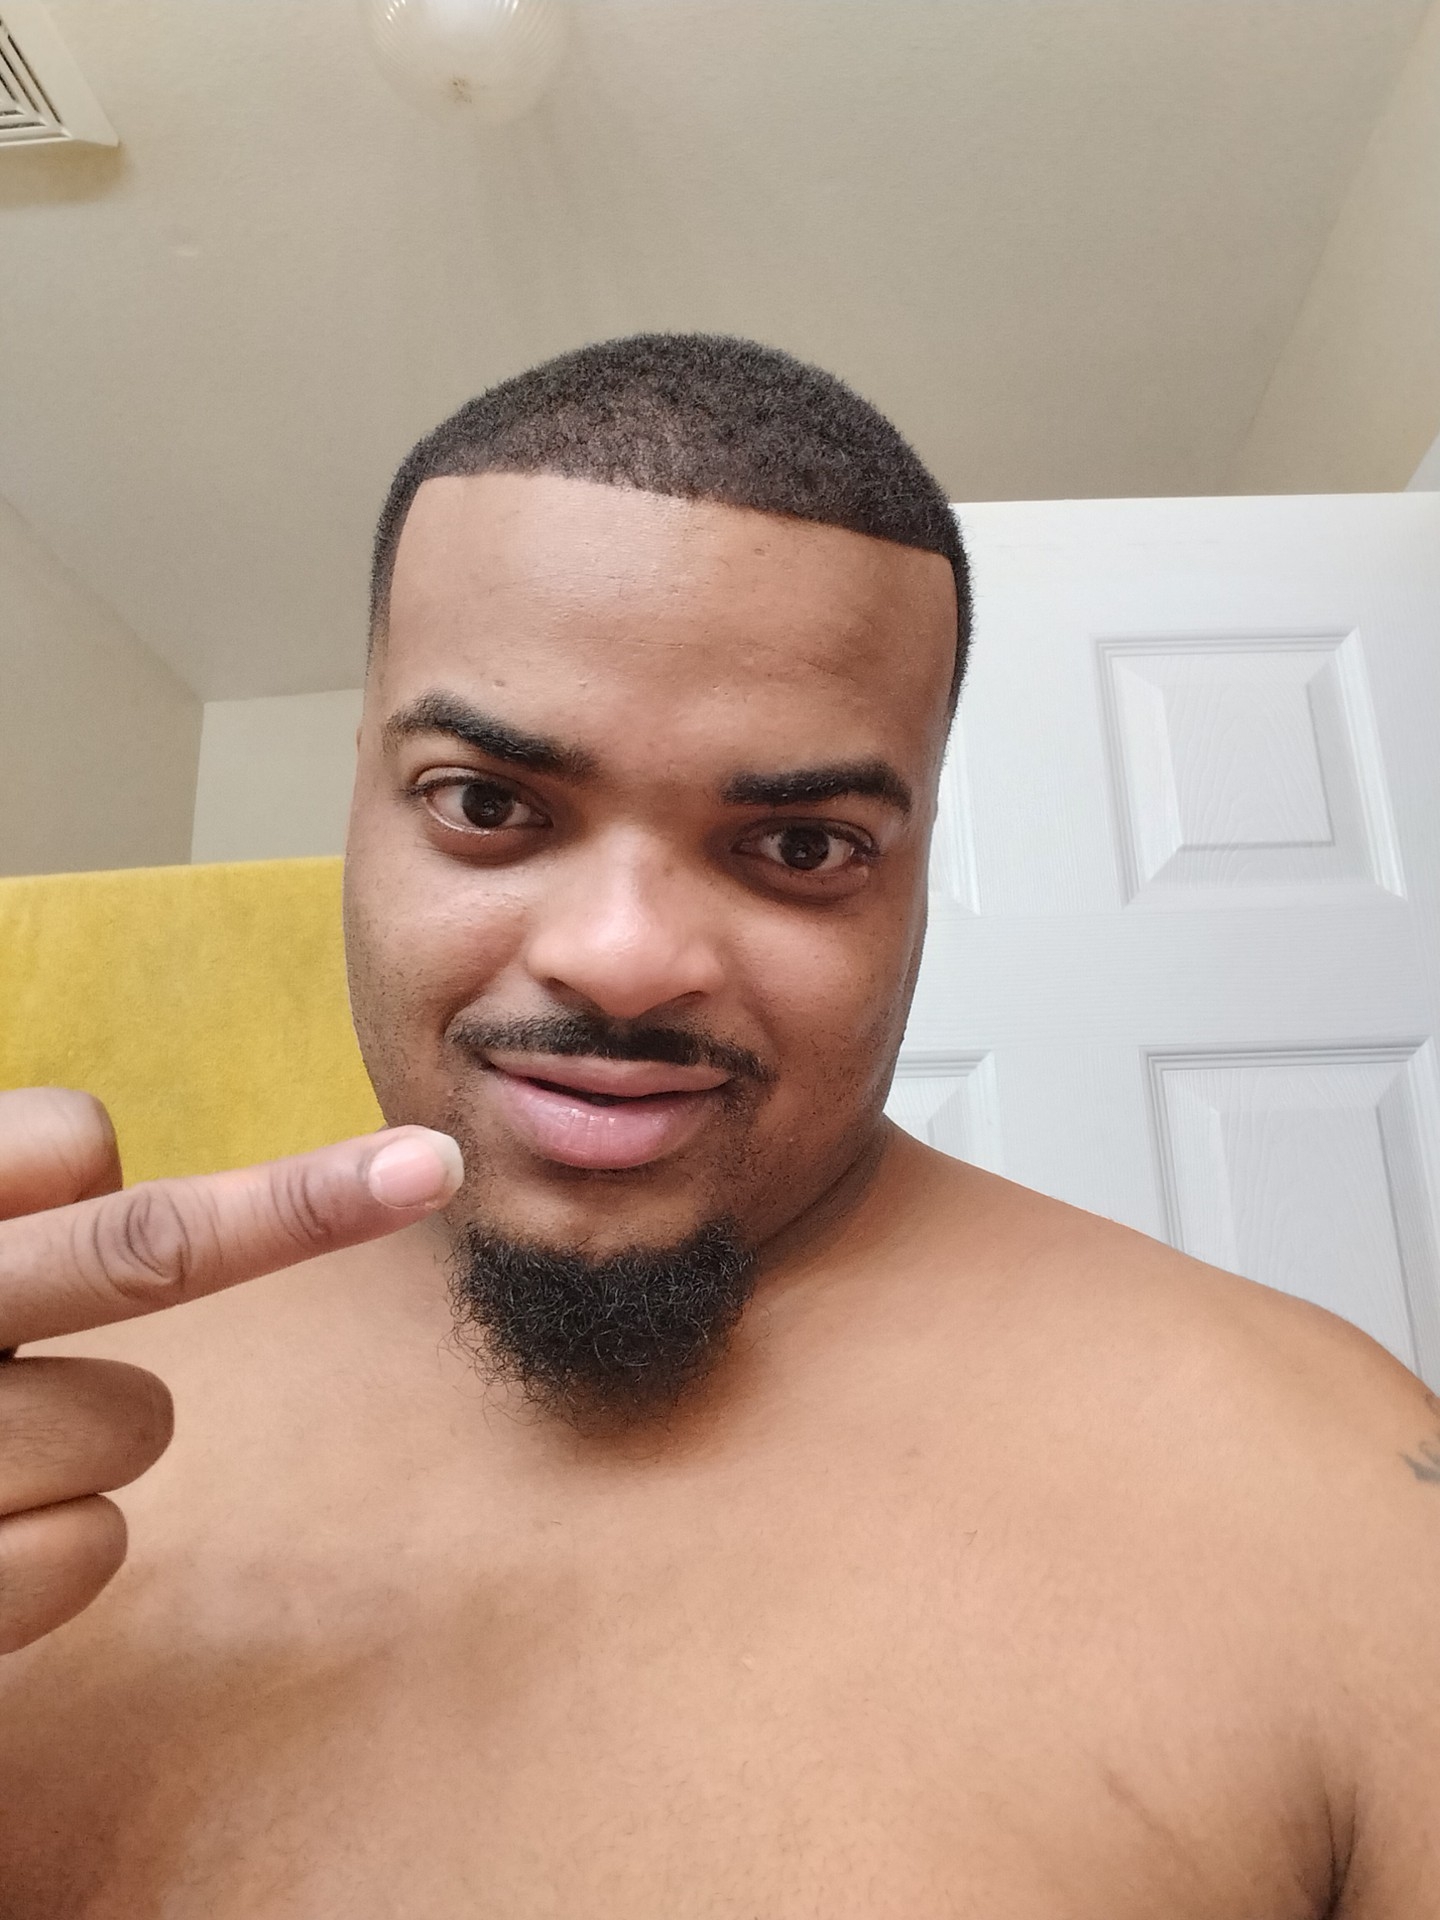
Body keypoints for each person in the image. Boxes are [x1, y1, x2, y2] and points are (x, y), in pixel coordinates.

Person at [0, 333, 1434, 1918]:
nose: (621, 958)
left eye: (801, 843)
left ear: (918, 863)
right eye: (489, 804)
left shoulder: (1330, 1500)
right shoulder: (45, 1418)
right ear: (362, 793)